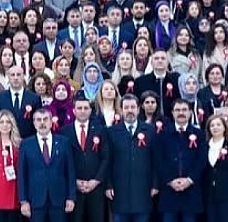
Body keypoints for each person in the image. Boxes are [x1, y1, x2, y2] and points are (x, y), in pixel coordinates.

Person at [17, 108, 76, 222]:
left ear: (51, 122)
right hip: (35, 199)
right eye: (38, 120)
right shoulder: (26, 144)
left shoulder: (64, 142)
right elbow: (22, 174)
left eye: (45, 119)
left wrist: (71, 197)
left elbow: (70, 171)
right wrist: (23, 201)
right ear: (34, 123)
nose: (42, 123)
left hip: (59, 199)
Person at [106, 93, 157, 222]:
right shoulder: (111, 132)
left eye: (133, 107)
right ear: (121, 110)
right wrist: (108, 185)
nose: (130, 110)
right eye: (126, 107)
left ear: (138, 109)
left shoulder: (150, 130)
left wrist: (155, 184)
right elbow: (108, 161)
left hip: (143, 190)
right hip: (119, 191)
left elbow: (155, 160)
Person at [154, 98, 206, 222]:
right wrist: (170, 181)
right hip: (169, 191)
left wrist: (189, 180)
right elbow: (158, 160)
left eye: (184, 110)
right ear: (172, 113)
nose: (181, 113)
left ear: (190, 113)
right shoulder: (163, 134)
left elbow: (201, 160)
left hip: (191, 191)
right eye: (177, 110)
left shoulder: (199, 134)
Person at [60, 95, 109, 222]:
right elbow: (62, 161)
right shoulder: (64, 132)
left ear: (90, 110)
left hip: (96, 188)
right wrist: (74, 181)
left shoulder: (100, 130)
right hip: (74, 188)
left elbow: (105, 157)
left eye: (85, 108)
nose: (82, 111)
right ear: (74, 110)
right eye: (79, 108)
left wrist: (96, 180)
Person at [201, 114, 228, 222]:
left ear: (224, 127)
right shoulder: (204, 146)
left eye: (218, 125)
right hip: (209, 193)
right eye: (212, 125)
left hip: (227, 192)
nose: (215, 127)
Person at [0, 65, 42, 138]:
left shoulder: (34, 98)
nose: (15, 78)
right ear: (8, 77)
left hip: (28, 140)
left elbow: (38, 122)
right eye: (12, 75)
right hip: (5, 140)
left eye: (18, 75)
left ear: (23, 76)